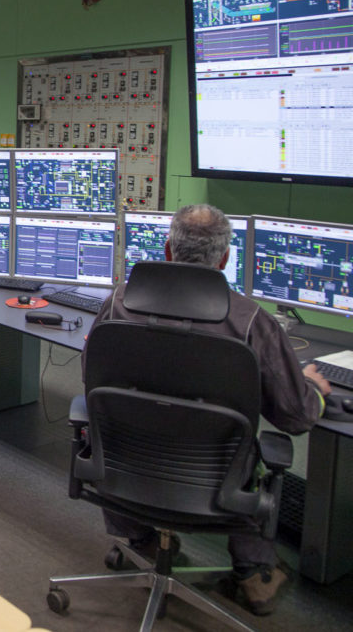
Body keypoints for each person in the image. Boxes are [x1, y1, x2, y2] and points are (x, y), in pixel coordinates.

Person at [83, 203, 329, 616]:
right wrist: (315, 390)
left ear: (167, 250)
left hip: (125, 472)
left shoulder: (117, 304)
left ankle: (143, 542)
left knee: (117, 423)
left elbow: (91, 377)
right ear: (225, 258)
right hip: (213, 481)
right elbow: (296, 416)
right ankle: (253, 575)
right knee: (252, 454)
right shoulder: (252, 322)